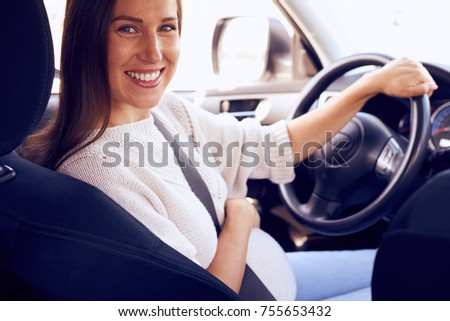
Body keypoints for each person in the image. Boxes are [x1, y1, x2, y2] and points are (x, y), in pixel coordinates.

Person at [20, 0, 437, 300]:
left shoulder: (165, 109)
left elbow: (271, 148)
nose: (154, 52)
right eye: (128, 28)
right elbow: (202, 304)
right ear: (86, 41)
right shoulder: (99, 172)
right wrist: (240, 218)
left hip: (278, 276)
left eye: (166, 27)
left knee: (417, 268)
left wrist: (367, 87)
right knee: (424, 285)